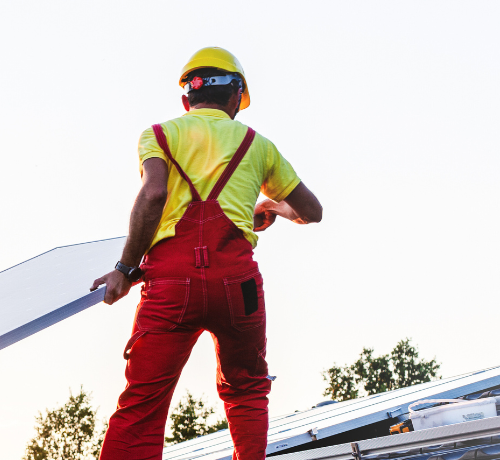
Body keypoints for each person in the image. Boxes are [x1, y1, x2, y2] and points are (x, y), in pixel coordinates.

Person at [90, 47, 324, 460]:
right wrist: (270, 206)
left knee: (143, 404)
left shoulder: (159, 135)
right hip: (238, 286)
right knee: (247, 390)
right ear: (236, 96)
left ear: (188, 100)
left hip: (170, 284)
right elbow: (311, 212)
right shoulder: (258, 145)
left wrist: (124, 269)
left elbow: (154, 195)